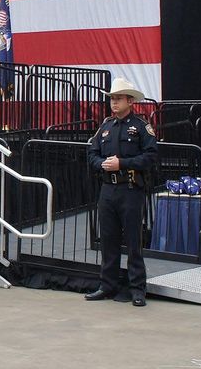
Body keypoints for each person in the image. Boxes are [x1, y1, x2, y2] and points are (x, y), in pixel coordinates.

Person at [85, 77, 158, 307]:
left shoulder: (140, 127)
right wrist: (101, 164)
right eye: (112, 99)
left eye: (118, 99)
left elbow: (150, 156)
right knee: (108, 240)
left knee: (133, 242)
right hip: (108, 189)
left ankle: (137, 289)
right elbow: (92, 154)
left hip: (130, 188)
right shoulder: (105, 126)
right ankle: (107, 285)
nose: (114, 103)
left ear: (130, 101)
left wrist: (122, 164)